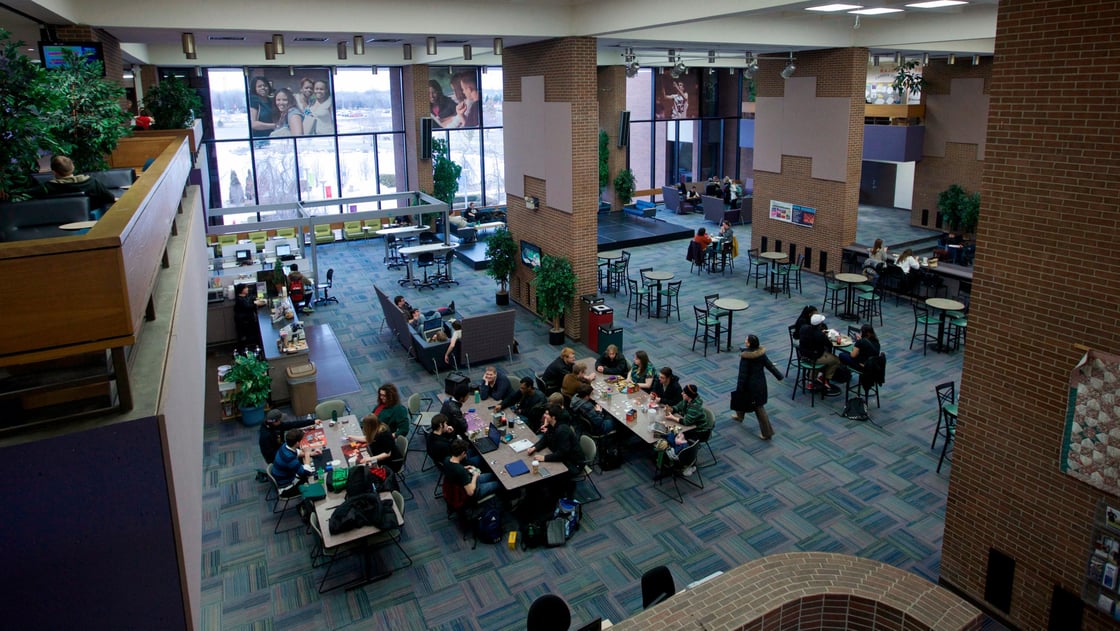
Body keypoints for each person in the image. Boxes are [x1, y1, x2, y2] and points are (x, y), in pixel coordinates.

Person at [732, 334, 784, 440]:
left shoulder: (746, 357)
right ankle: (739, 416)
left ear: (749, 343)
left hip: (750, 387)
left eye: (746, 340)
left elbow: (743, 375)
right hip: (760, 384)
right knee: (745, 401)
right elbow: (769, 365)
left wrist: (739, 388)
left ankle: (767, 433)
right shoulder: (761, 354)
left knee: (758, 408)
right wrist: (779, 376)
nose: (745, 340)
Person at [35, 155, 117, 211]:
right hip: (92, 219)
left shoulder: (47, 188)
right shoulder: (92, 182)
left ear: (54, 172)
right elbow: (110, 198)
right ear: (72, 167)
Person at [527, 405, 583, 475]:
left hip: (572, 464)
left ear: (553, 417)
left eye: (547, 414)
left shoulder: (562, 430)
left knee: (546, 473)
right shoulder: (552, 424)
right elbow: (545, 439)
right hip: (561, 455)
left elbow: (563, 453)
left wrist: (544, 458)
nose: (544, 415)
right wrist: (534, 447)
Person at [799, 312, 841, 392]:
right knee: (836, 360)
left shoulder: (803, 328)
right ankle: (824, 378)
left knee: (821, 358)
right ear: (820, 324)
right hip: (814, 357)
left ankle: (811, 381)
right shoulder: (820, 335)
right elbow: (829, 345)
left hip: (803, 355)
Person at [271, 428, 317, 497]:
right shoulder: (289, 458)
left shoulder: (285, 445)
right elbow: (306, 472)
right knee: (313, 481)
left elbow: (297, 452)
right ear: (297, 443)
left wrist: (311, 453)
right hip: (286, 488)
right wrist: (307, 454)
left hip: (284, 478)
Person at [233, 283, 262, 348]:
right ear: (242, 290)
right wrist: (256, 304)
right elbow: (248, 306)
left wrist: (256, 299)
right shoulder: (239, 300)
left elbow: (251, 298)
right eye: (245, 288)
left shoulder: (245, 296)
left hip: (248, 318)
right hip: (243, 321)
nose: (247, 289)